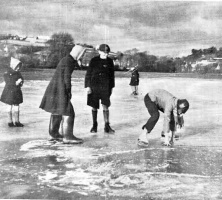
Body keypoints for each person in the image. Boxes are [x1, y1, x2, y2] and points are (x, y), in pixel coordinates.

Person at [39, 45, 85, 144]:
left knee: (57, 109)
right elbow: (66, 78)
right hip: (60, 89)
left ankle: (54, 134)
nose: (83, 55)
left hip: (55, 88)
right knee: (69, 111)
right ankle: (68, 136)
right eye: (82, 53)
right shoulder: (69, 62)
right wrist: (68, 91)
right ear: (78, 53)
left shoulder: (67, 59)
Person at [85, 44, 115, 133]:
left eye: (107, 52)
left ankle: (107, 126)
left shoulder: (110, 61)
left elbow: (112, 76)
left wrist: (112, 87)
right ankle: (94, 125)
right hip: (94, 86)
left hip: (106, 87)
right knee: (94, 106)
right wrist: (88, 86)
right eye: (104, 52)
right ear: (99, 51)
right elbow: (88, 74)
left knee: (105, 105)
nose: (106, 54)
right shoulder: (94, 60)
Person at [0, 57, 24, 127]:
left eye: (19, 67)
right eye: (17, 67)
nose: (18, 68)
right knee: (9, 106)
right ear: (13, 66)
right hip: (9, 93)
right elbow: (8, 82)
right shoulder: (7, 73)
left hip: (16, 92)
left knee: (17, 106)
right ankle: (10, 121)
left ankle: (17, 121)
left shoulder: (18, 73)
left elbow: (22, 79)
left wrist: (21, 82)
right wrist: (16, 83)